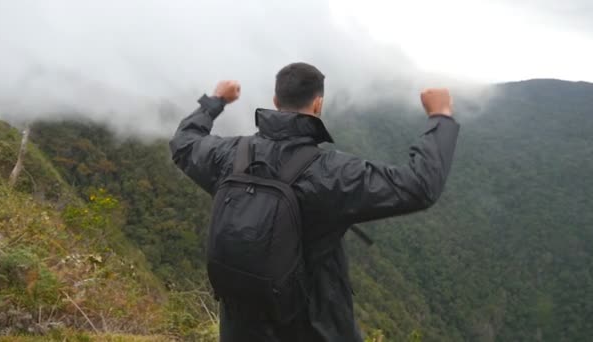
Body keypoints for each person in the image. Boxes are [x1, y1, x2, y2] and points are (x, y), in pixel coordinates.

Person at [169, 62, 460, 342]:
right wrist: (440, 116)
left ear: (275, 99)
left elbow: (183, 142)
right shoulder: (331, 173)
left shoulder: (228, 156)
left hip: (240, 330)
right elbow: (419, 186)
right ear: (318, 104)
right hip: (313, 329)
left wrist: (217, 99)